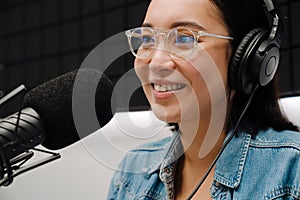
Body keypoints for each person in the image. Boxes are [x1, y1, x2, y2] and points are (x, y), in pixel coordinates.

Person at [107, 0, 300, 199]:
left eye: (184, 39)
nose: (156, 63)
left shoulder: (292, 172)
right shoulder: (131, 173)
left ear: (247, 58)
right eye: (147, 40)